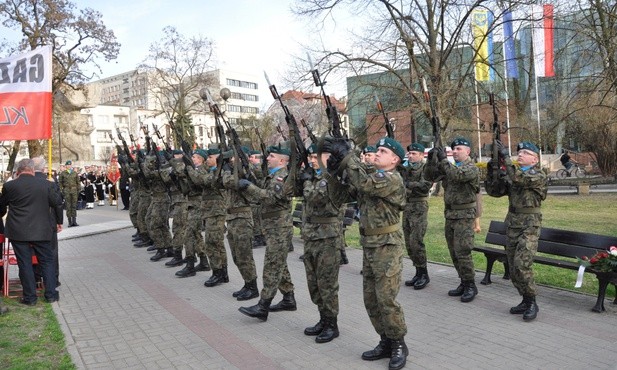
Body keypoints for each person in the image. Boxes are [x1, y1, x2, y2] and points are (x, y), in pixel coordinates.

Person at [326, 137, 408, 370]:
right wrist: (335, 171)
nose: (378, 153)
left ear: (394, 159)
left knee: (386, 299)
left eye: (383, 151)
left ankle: (399, 344)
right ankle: (385, 340)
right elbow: (344, 194)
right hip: (370, 244)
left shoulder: (391, 179)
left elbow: (364, 184)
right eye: (378, 150)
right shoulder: (372, 178)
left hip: (387, 246)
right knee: (371, 299)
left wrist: (348, 157)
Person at [485, 141, 547, 321]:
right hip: (512, 224)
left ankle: (532, 301)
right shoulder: (514, 175)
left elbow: (519, 178)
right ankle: (525, 299)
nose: (520, 155)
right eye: (519, 152)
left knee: (522, 264)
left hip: (529, 225)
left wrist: (505, 157)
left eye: (526, 153)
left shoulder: (539, 175)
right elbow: (495, 191)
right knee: (512, 266)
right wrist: (493, 169)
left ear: (535, 159)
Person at [294, 142, 349, 343]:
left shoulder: (332, 177)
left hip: (327, 238)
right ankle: (323, 318)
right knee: (314, 282)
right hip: (311, 236)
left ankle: (332, 324)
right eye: (309, 157)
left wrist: (307, 182)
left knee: (327, 284)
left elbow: (315, 198)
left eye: (316, 156)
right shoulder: (317, 177)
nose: (312, 160)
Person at [238, 144, 295, 321]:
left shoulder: (282, 177)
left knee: (272, 265)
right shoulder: (273, 175)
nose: (267, 158)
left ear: (282, 160)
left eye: (271, 156)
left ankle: (263, 305)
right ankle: (288, 298)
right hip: (272, 226)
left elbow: (270, 198)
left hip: (279, 227)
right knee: (279, 263)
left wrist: (249, 187)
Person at [424, 138, 480, 303]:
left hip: (465, 215)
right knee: (454, 253)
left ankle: (471, 285)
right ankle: (463, 281)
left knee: (463, 251)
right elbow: (430, 177)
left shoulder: (471, 168)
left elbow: (456, 176)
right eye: (453, 149)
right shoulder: (450, 167)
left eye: (459, 149)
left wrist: (443, 160)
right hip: (451, 215)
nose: (455, 151)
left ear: (468, 151)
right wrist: (431, 160)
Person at [0, 158, 62, 305]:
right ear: (33, 170)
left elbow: (2, 207)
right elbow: (57, 203)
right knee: (47, 262)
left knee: (24, 263)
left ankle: (30, 297)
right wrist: (59, 222)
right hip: (42, 230)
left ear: (19, 171)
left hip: (18, 231)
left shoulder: (10, 186)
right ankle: (51, 295)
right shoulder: (47, 185)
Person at [221, 148, 259, 301]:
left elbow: (230, 182)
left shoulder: (245, 171)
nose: (231, 161)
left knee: (244, 255)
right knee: (237, 255)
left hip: (242, 218)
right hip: (232, 218)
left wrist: (225, 171)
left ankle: (253, 287)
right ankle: (247, 283)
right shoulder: (235, 171)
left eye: (232, 159)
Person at [401, 143, 433, 290]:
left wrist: (407, 184)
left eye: (414, 153)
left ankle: (424, 274)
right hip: (407, 207)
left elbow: (424, 186)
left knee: (416, 241)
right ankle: (418, 272)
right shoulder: (406, 168)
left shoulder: (425, 168)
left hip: (419, 206)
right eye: (410, 153)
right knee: (408, 242)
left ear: (421, 155)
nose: (411, 155)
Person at [33, 156, 64, 287]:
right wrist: (59, 221)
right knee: (51, 252)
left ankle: (36, 279)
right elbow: (58, 203)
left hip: (30, 224)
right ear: (44, 168)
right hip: (48, 222)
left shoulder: (23, 182)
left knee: (33, 253)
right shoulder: (50, 183)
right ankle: (53, 280)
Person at [58, 160, 80, 227]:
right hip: (66, 190)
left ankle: (74, 221)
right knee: (68, 206)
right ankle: (69, 222)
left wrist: (78, 190)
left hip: (74, 190)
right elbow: (60, 183)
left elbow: (78, 182)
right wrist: (62, 190)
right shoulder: (63, 173)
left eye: (70, 165)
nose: (69, 166)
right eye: (68, 165)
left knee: (74, 205)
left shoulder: (74, 173)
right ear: (66, 166)